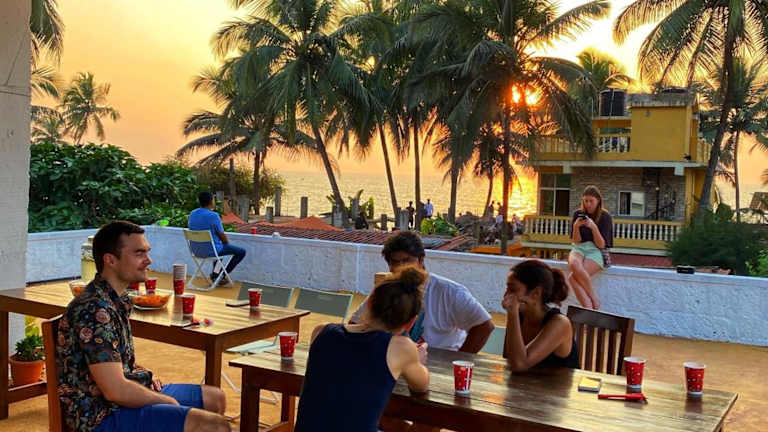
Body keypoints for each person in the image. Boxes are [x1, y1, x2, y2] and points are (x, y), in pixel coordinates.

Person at [56, 221, 229, 432]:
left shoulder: (117, 300)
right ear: (110, 260)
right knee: (214, 425)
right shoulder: (94, 310)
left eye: (147, 252)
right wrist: (166, 402)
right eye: (139, 253)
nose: (148, 260)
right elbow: (115, 390)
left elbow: (114, 360)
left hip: (118, 398)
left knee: (215, 399)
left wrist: (140, 374)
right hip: (100, 415)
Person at [294, 267, 430, 432]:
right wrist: (417, 360)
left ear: (370, 303)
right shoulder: (402, 348)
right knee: (426, 424)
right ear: (411, 322)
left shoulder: (321, 331)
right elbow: (421, 386)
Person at [350, 231, 494, 352]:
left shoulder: (450, 292)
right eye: (395, 262)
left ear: (421, 260)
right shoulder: (385, 291)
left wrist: (457, 361)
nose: (401, 267)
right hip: (398, 364)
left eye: (407, 260)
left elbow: (484, 326)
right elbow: (354, 324)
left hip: (440, 367)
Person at [501, 259, 579, 371]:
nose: (506, 295)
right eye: (507, 289)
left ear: (536, 293)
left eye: (512, 289)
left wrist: (512, 314)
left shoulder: (560, 323)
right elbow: (509, 358)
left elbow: (518, 364)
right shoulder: (520, 316)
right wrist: (513, 314)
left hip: (556, 382)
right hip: (527, 382)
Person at [568, 185, 613, 310]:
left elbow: (601, 244)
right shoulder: (578, 214)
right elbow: (576, 240)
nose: (588, 204)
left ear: (598, 200)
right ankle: (594, 300)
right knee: (574, 264)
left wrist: (593, 227)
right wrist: (576, 226)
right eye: (585, 201)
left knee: (572, 279)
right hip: (579, 248)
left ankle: (589, 307)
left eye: (591, 201)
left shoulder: (605, 217)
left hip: (595, 250)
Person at [188, 191, 246, 285]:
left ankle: (216, 274)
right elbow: (221, 234)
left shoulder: (193, 213)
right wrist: (226, 243)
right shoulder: (213, 216)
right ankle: (221, 275)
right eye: (214, 199)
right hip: (211, 251)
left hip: (196, 251)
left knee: (219, 249)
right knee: (240, 251)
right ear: (211, 201)